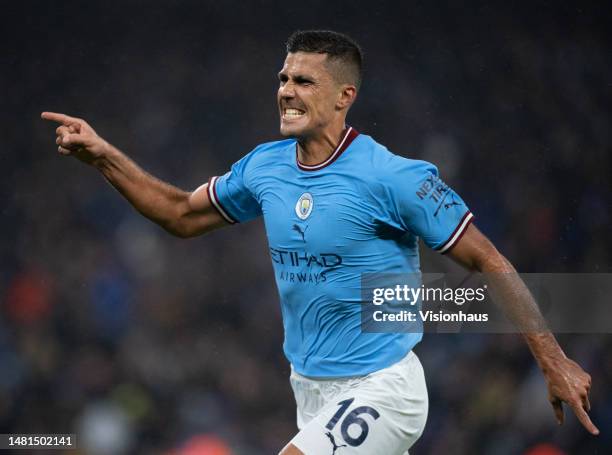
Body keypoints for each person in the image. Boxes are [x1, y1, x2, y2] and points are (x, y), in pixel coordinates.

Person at [42, 30, 598, 455]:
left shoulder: (393, 177)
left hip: (384, 387)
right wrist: (105, 158)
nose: (286, 91)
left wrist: (553, 361)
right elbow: (180, 215)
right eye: (284, 79)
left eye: (304, 81)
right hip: (308, 391)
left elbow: (488, 259)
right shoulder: (265, 166)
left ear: (343, 96)